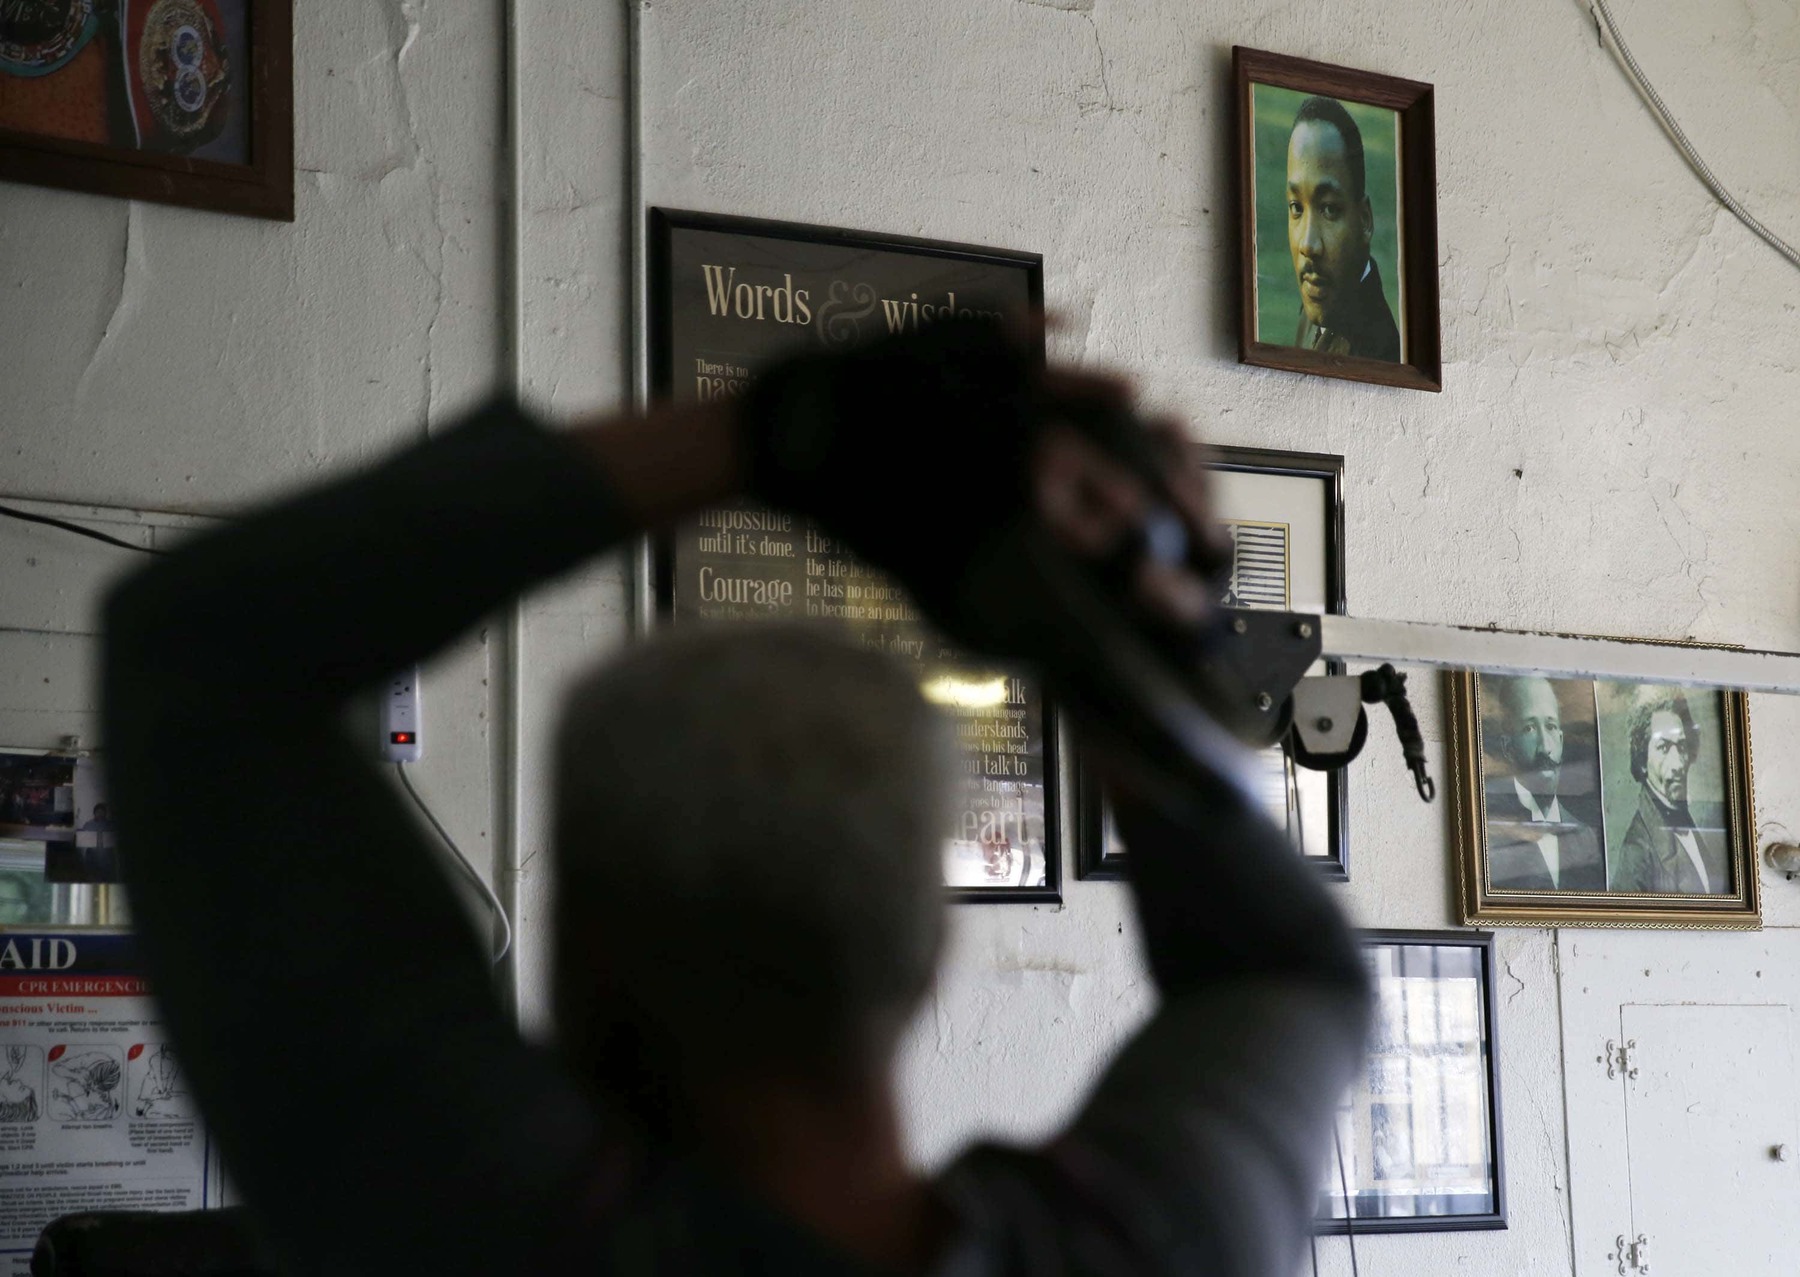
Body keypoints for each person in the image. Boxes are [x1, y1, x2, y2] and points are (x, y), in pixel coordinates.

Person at [102, 321, 1371, 1276]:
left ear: (578, 947)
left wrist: (782, 433)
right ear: (928, 953)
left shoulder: (471, 1221)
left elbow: (200, 652)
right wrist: (1114, 636)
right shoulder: (1152, 1246)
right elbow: (1288, 979)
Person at [1285, 95, 1401, 361]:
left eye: (1329, 209)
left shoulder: (1378, 356)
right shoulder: (1316, 307)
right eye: (1296, 208)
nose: (1308, 244)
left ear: (1364, 221)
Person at [1482, 676, 1606, 891]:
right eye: (1529, 728)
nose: (1545, 747)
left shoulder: (1585, 837)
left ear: (1561, 739)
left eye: (1550, 726)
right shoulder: (1489, 832)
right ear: (1507, 747)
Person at [1608, 689, 1728, 894]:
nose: (1678, 763)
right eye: (1663, 748)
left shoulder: (1687, 824)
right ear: (1642, 759)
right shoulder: (1637, 851)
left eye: (1681, 746)